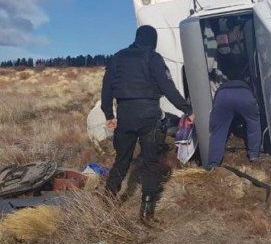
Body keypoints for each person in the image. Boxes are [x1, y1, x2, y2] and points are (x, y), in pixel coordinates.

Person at [101, 24, 193, 225]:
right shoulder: (153, 58)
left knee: (122, 159)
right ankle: (146, 213)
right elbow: (167, 87)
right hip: (148, 115)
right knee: (151, 161)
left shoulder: (117, 57)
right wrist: (187, 109)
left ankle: (107, 202)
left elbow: (106, 88)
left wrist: (109, 114)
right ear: (152, 40)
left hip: (125, 114)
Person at [205, 18, 261, 170]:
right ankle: (254, 155)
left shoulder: (220, 64)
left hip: (222, 95)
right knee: (253, 123)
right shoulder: (246, 64)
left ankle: (213, 163)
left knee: (219, 130)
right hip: (244, 94)